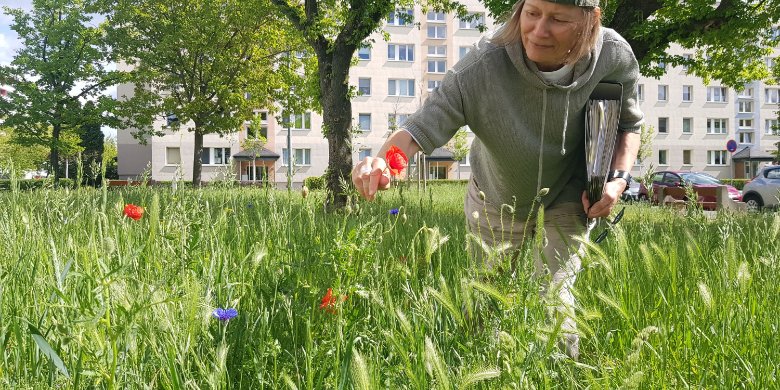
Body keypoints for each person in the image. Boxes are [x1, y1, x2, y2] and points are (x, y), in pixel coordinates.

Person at [351, 0, 643, 359]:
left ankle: (560, 376)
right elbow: (420, 128)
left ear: (589, 22)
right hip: (494, 200)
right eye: (532, 12)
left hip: (568, 195)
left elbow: (630, 125)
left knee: (553, 300)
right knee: (484, 305)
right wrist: (383, 163)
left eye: (557, 19)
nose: (538, 30)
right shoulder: (482, 65)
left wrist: (617, 180)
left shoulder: (613, 56)